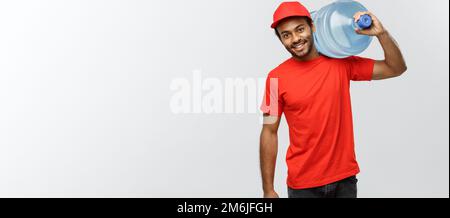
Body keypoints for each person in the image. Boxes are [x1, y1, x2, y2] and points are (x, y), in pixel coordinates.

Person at [259, 1, 407, 198]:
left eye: (300, 29)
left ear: (312, 26)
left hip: (344, 180)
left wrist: (382, 33)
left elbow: (396, 68)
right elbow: (269, 131)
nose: (295, 39)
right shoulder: (275, 78)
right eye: (286, 35)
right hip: (303, 185)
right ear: (281, 40)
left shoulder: (341, 62)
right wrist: (268, 189)